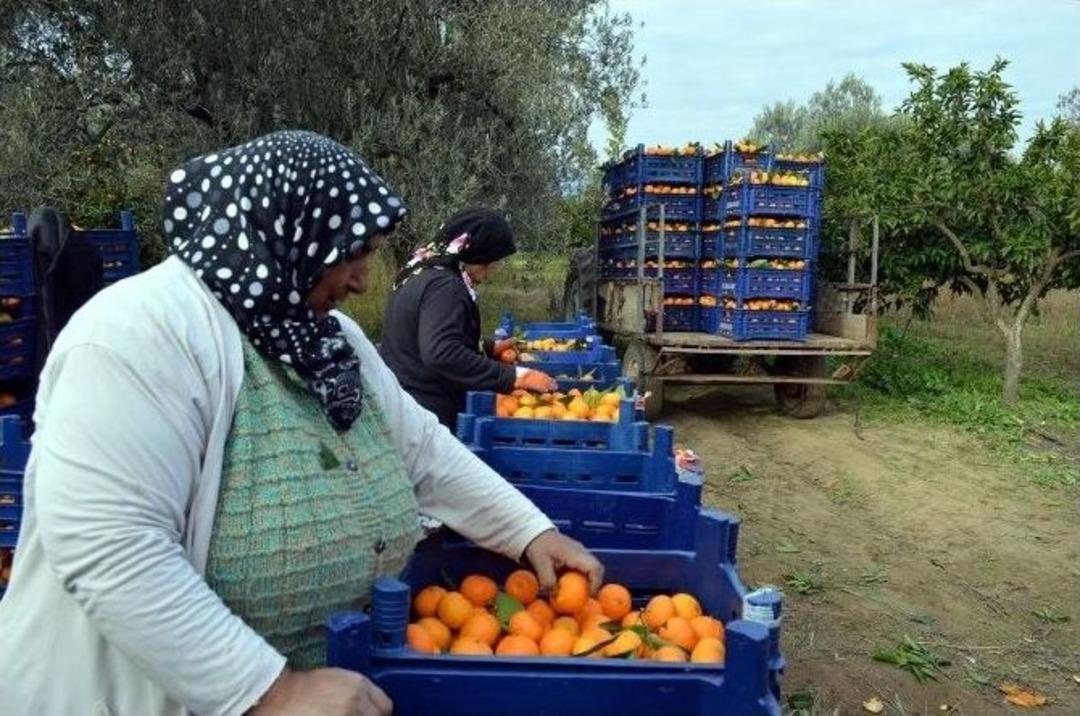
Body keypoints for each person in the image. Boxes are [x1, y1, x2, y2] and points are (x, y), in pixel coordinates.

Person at [0, 130, 602, 716]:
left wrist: (528, 531)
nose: (364, 279)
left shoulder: (324, 337)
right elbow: (109, 543)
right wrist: (270, 692)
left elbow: (420, 450)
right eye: (351, 252)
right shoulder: (137, 335)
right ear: (285, 229)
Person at [379, 207, 556, 428]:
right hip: (424, 416)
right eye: (494, 263)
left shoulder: (422, 270)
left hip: (404, 404)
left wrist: (488, 347)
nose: (491, 273)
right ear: (479, 255)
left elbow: (427, 333)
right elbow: (441, 354)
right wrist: (514, 377)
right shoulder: (445, 287)